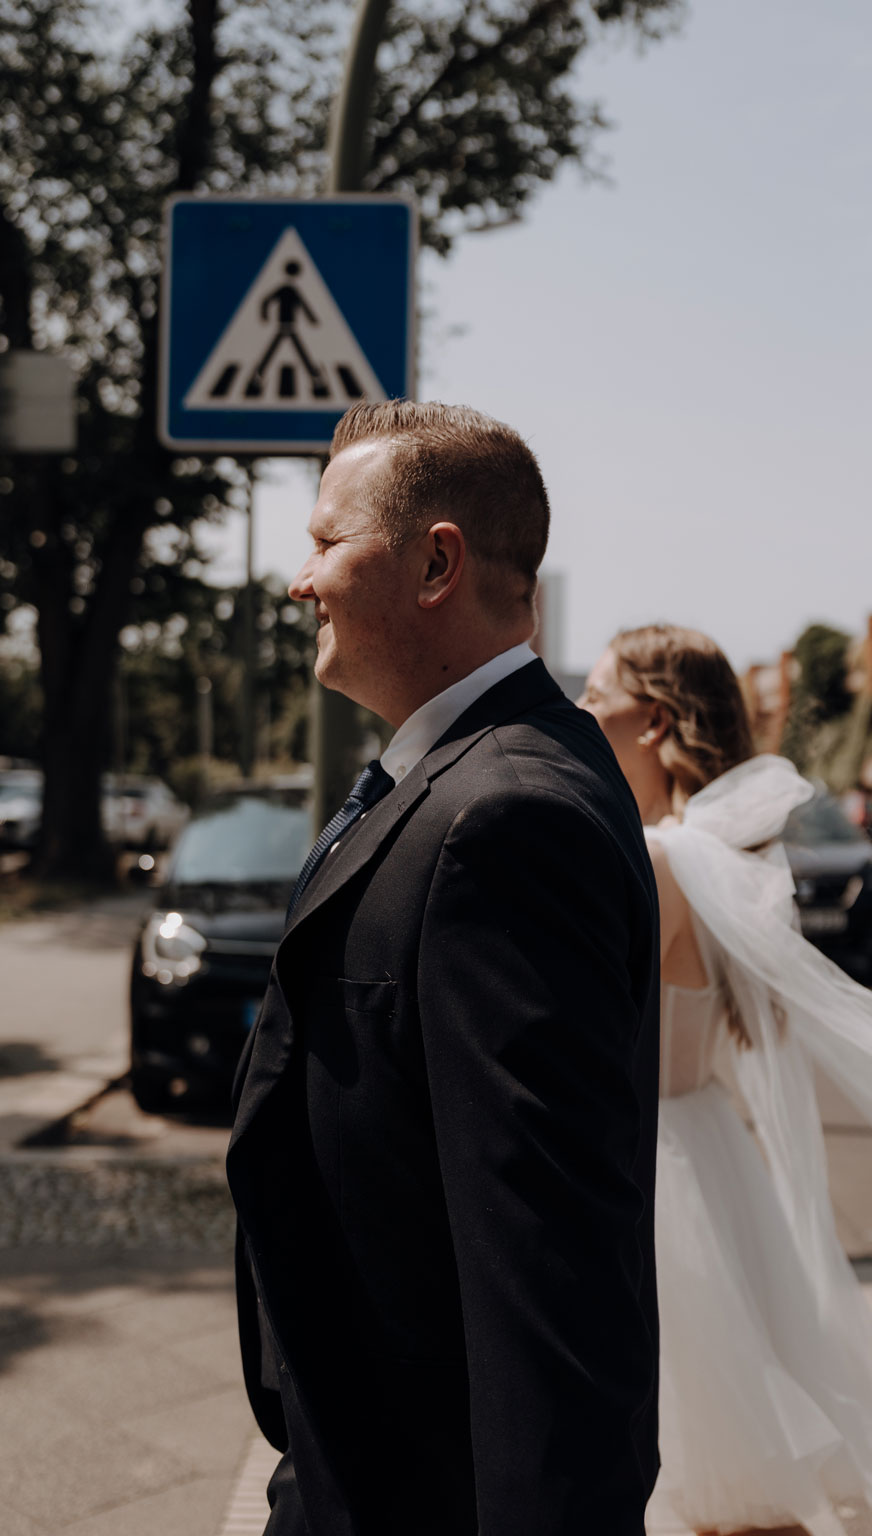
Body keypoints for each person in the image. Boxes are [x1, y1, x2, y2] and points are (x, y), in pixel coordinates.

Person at [227, 402, 662, 1536]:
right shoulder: (464, 777)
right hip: (354, 1461)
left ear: (435, 563)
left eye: (326, 543)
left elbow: (547, 1274)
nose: (300, 581)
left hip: (411, 1492)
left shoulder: (505, 817)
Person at [580, 624, 872, 1536]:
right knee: (741, 1474)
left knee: (694, 1475)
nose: (582, 714)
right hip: (712, 1155)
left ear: (655, 720)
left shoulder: (660, 861)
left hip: (656, 1170)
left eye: (596, 697)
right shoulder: (724, 857)